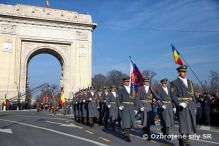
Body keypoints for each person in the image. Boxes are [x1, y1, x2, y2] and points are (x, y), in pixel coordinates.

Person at [170, 65, 197, 146]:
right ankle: (185, 142)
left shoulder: (190, 82)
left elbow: (193, 95)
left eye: (185, 72)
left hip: (190, 105)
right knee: (184, 124)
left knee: (190, 124)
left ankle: (185, 141)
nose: (184, 73)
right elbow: (173, 96)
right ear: (179, 72)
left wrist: (195, 106)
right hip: (182, 105)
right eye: (182, 71)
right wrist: (178, 103)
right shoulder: (174, 83)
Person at [117, 77, 137, 142]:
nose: (127, 83)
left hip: (131, 107)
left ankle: (125, 131)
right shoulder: (121, 90)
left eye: (128, 81)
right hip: (125, 107)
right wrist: (120, 106)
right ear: (124, 82)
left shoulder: (132, 90)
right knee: (126, 121)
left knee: (131, 122)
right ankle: (127, 135)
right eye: (126, 81)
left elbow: (135, 100)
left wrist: (136, 108)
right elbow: (118, 99)